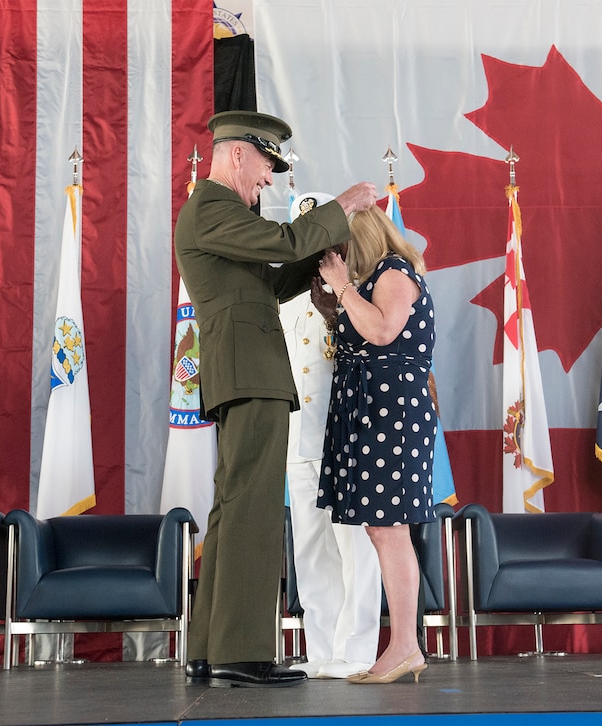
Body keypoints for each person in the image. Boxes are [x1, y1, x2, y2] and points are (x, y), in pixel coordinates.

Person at [174, 110, 378, 688]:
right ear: (238, 154)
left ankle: (211, 648)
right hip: (249, 374)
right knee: (254, 510)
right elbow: (284, 241)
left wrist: (312, 272)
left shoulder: (216, 214)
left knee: (233, 506)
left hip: (241, 373)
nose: (268, 179)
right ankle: (243, 651)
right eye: (266, 164)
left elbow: (265, 281)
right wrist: (345, 206)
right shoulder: (213, 205)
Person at [315, 206, 437, 684]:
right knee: (381, 529)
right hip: (369, 412)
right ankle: (403, 645)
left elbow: (384, 330)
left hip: (392, 413)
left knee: (389, 529)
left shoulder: (394, 272)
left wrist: (343, 285)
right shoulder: (373, 278)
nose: (339, 256)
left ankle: (405, 645)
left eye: (343, 246)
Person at [282, 193, 382, 680]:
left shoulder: (357, 288)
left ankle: (357, 650)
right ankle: (321, 652)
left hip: (347, 438)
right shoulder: (284, 294)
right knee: (311, 548)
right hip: (299, 439)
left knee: (356, 547)